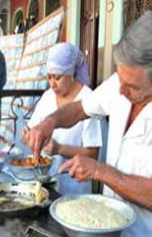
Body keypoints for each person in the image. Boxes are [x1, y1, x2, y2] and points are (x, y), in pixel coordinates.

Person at [24, 11, 152, 237]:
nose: (120, 89)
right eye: (120, 78)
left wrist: (99, 170)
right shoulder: (121, 86)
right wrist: (50, 122)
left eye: (131, 85)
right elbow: (81, 108)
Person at [23, 43, 102, 194]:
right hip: (45, 184)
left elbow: (93, 154)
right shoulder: (47, 97)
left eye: (57, 77)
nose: (52, 84)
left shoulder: (87, 100)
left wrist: (60, 149)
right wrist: (28, 136)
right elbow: (28, 133)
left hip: (74, 187)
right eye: (49, 77)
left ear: (71, 73)